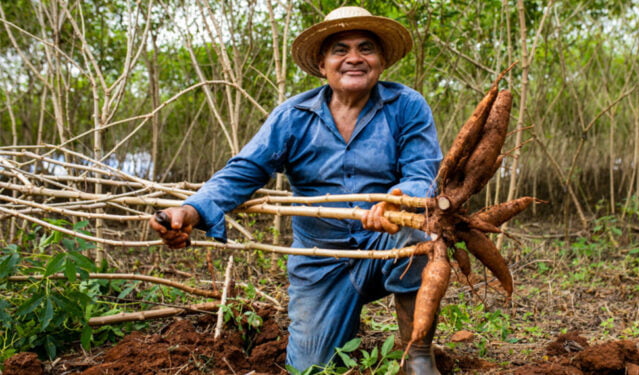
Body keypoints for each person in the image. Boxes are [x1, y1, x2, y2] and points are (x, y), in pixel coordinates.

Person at [150, 6, 442, 374]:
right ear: (322, 65)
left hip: (384, 243)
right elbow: (244, 171)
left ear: (381, 61)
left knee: (420, 237)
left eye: (366, 48)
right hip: (320, 259)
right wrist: (191, 211)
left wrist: (397, 200)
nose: (354, 58)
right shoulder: (293, 116)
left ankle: (417, 354)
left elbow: (422, 173)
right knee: (310, 368)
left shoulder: (407, 106)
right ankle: (335, 320)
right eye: (340, 50)